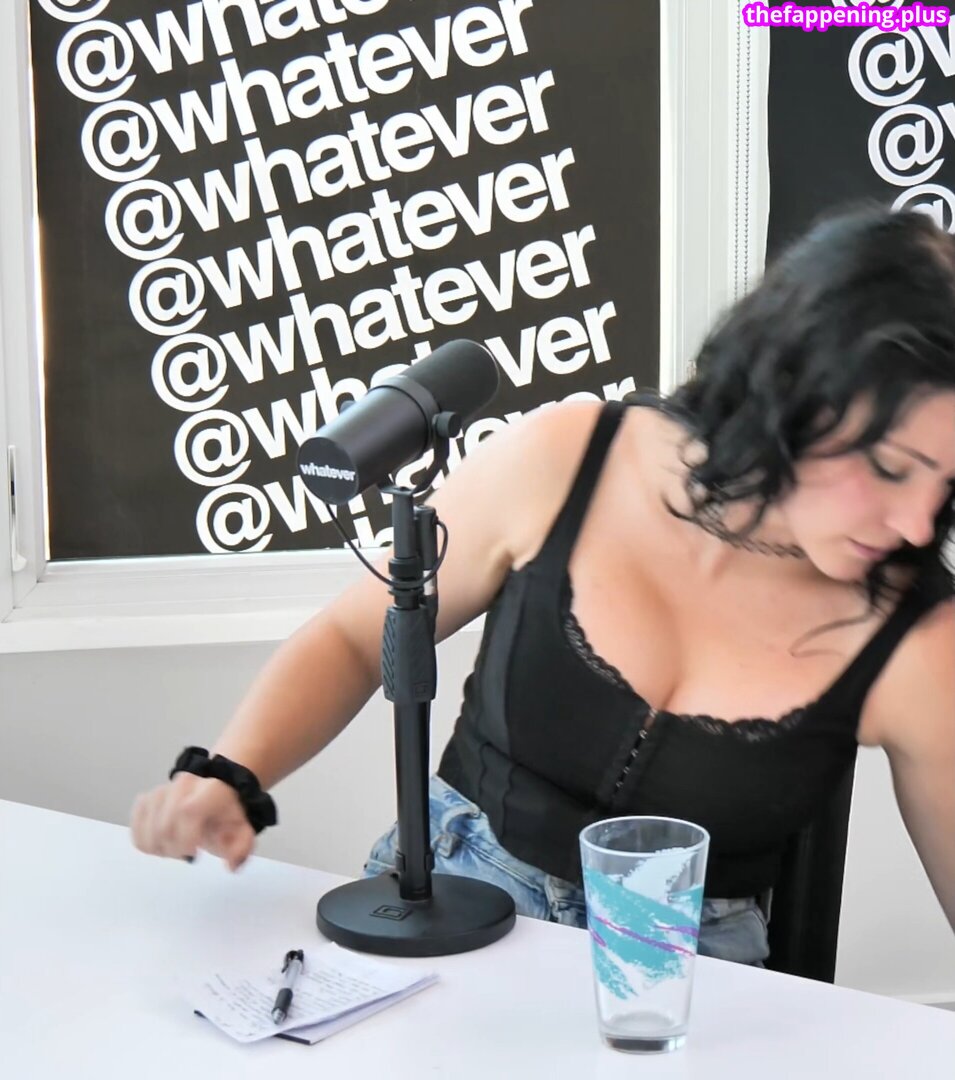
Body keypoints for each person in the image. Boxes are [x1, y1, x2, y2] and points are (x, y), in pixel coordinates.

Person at [130, 203, 955, 967]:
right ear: (794, 390)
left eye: (947, 483)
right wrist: (231, 777)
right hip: (447, 909)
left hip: (678, 987)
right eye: (891, 467)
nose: (920, 524)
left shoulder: (921, 641)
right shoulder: (566, 459)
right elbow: (354, 637)